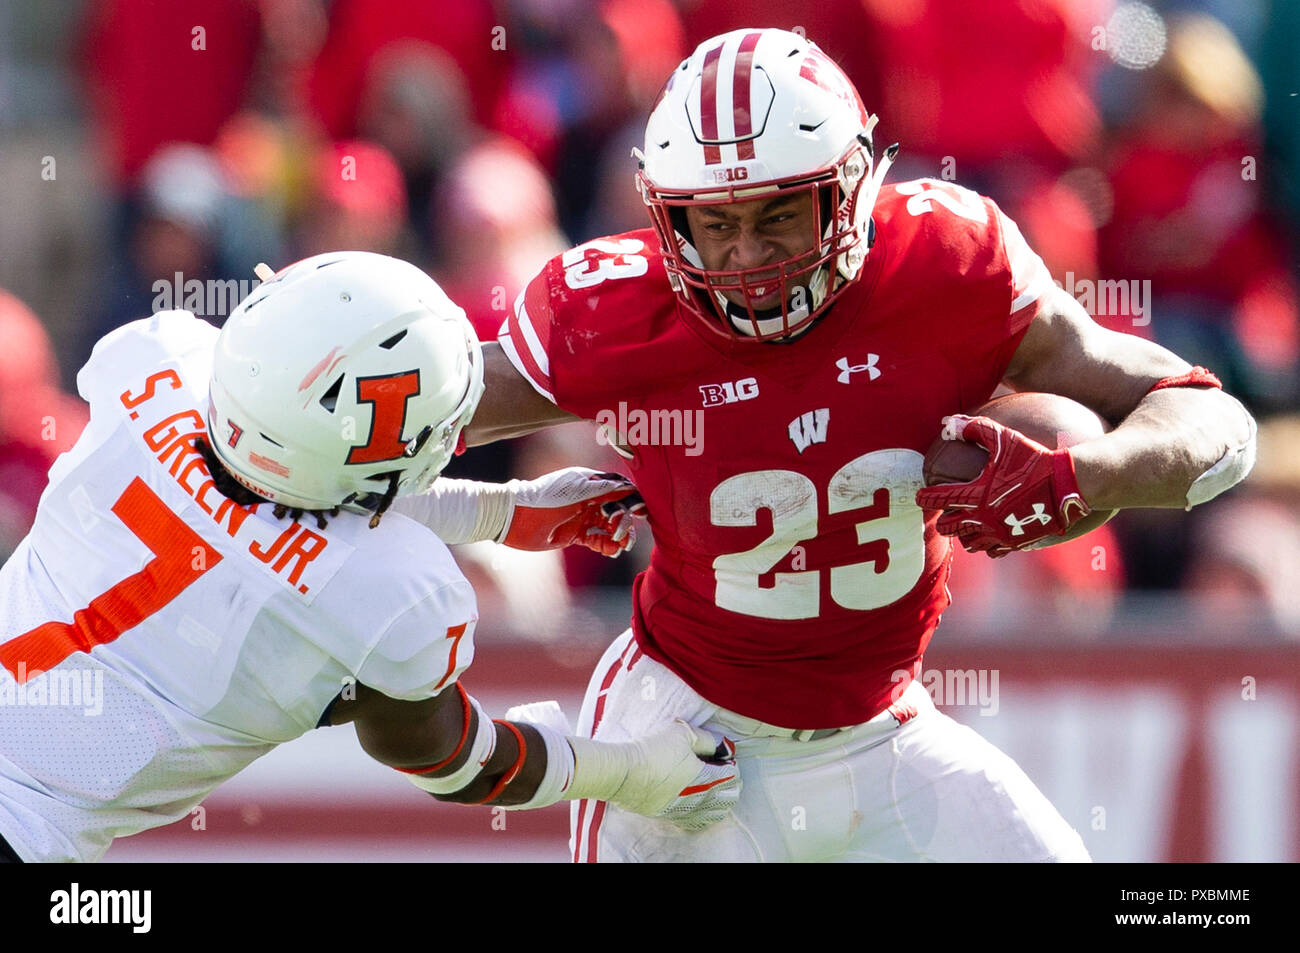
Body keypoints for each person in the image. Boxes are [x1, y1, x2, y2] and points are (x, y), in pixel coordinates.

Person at [465, 28, 1258, 862]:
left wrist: (1083, 475)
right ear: (668, 216)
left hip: (885, 729)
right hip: (686, 737)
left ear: (849, 187)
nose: (746, 258)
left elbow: (1215, 424)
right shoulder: (618, 307)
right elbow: (421, 415)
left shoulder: (946, 266)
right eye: (716, 223)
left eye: (778, 213)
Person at [0, 252, 738, 863]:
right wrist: (635, 772)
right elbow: (452, 758)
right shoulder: (394, 593)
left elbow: (258, 499)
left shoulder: (150, 358)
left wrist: (500, 510)